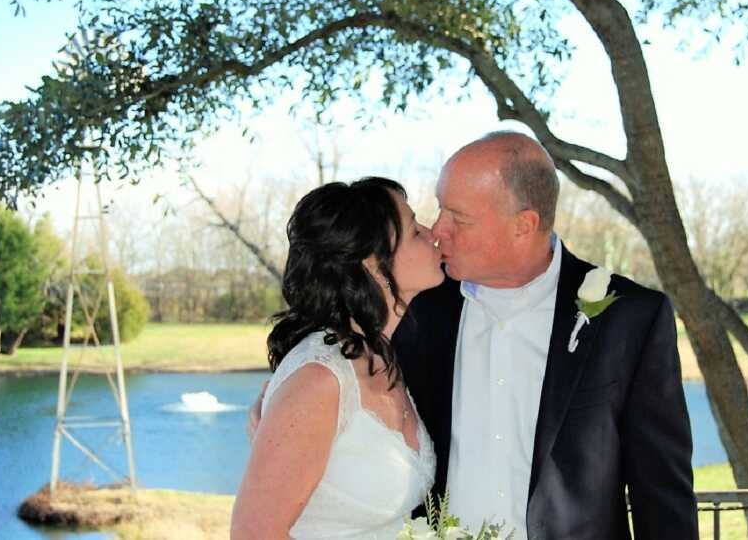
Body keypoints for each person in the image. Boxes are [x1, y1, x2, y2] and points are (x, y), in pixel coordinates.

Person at [250, 133, 699, 539]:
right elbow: (332, 372)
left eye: (458, 218)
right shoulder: (414, 303)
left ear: (523, 224)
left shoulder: (629, 319)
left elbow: (662, 494)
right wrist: (278, 404)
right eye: (438, 208)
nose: (438, 229)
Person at [231, 177, 444, 539]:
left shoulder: (385, 355)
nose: (432, 233)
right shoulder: (319, 379)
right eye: (414, 230)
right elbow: (253, 533)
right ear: (373, 264)